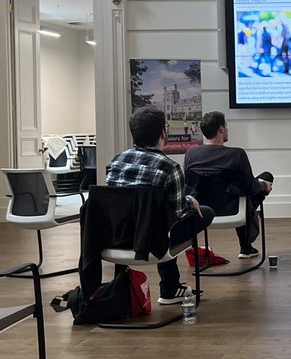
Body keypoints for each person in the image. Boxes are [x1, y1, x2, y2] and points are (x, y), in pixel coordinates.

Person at [106, 106, 215, 305]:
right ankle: (169, 288)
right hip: (152, 243)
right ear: (163, 134)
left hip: (115, 239)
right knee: (203, 213)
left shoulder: (116, 161)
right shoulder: (169, 167)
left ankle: (120, 286)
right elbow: (179, 212)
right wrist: (191, 201)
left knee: (156, 217)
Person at [183, 111, 273, 259]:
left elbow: (189, 185)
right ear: (221, 129)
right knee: (263, 179)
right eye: (226, 125)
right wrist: (264, 186)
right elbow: (250, 186)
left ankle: (246, 246)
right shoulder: (237, 154)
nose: (227, 128)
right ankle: (245, 247)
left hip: (202, 211)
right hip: (233, 209)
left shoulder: (191, 154)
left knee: (241, 192)